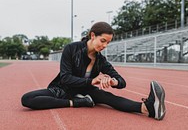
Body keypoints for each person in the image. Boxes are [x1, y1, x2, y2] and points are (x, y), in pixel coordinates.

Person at [21, 21, 166, 120]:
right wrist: (92, 81)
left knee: (109, 98)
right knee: (27, 99)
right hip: (62, 89)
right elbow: (65, 78)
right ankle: (77, 102)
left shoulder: (100, 60)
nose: (105, 46)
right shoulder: (71, 49)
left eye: (108, 43)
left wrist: (112, 81)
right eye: (103, 41)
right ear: (92, 35)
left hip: (86, 91)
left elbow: (122, 82)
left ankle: (148, 109)